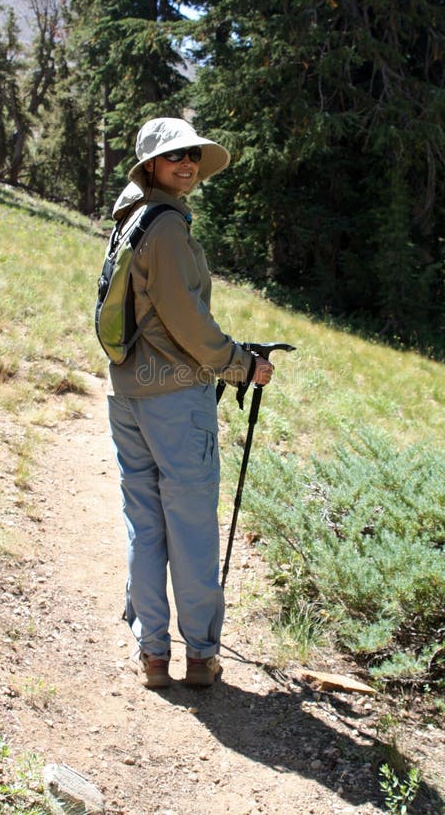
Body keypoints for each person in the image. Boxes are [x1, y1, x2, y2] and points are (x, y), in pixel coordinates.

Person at [106, 116, 274, 689]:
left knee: (145, 522)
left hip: (128, 391)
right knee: (193, 524)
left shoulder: (129, 222)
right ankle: (201, 655)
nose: (188, 164)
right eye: (175, 156)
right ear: (150, 165)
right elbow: (185, 319)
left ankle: (153, 651)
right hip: (176, 398)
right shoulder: (169, 228)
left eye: (194, 157)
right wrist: (242, 364)